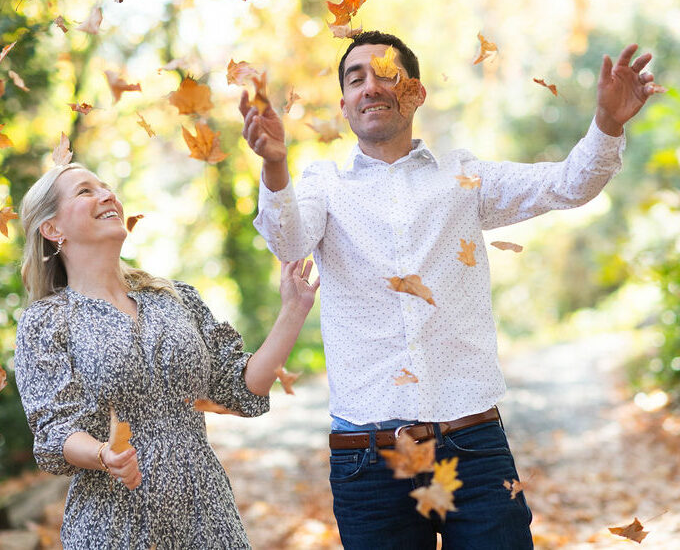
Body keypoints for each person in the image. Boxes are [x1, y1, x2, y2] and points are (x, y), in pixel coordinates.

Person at [239, 30, 658, 549]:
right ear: (344, 105)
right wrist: (274, 165)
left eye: (386, 74)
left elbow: (567, 184)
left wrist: (608, 124)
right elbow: (288, 240)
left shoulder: (463, 177)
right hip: (368, 461)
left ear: (415, 92)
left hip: (473, 449)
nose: (371, 86)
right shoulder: (324, 185)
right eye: (356, 79)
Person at [14, 162, 319, 549]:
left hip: (206, 515)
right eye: (85, 191)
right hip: (113, 524)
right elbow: (56, 431)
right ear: (52, 229)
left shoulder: (175, 298)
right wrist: (104, 454)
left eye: (106, 187)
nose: (108, 195)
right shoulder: (46, 322)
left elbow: (240, 387)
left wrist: (293, 311)